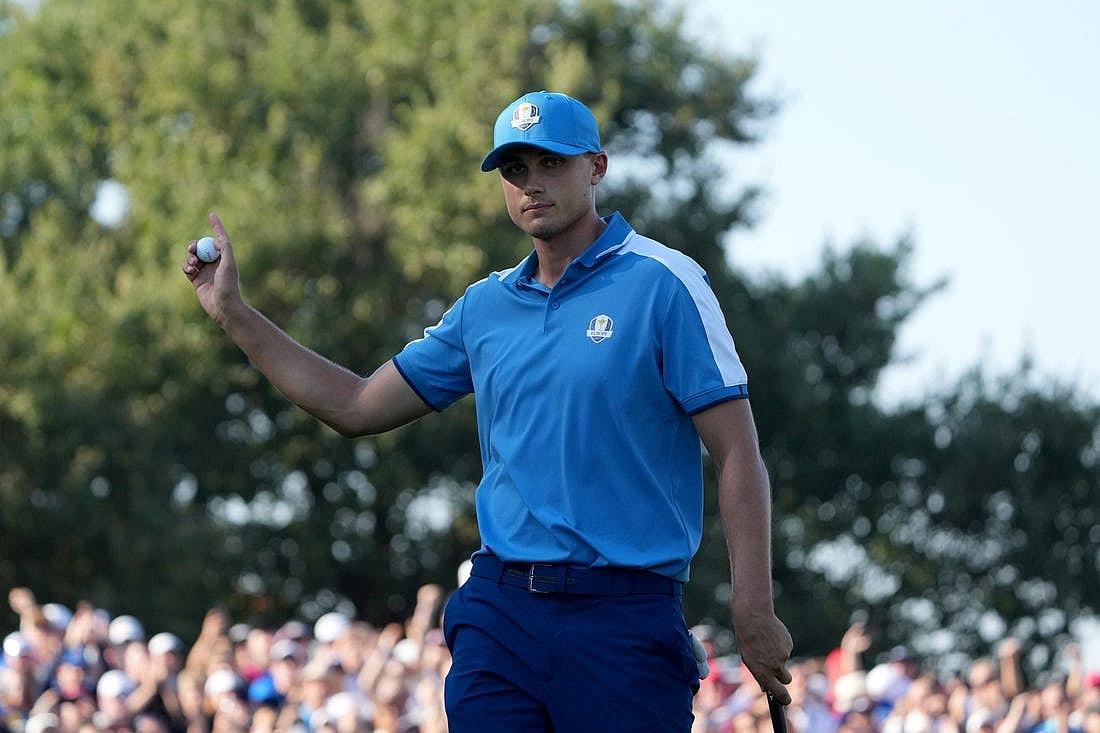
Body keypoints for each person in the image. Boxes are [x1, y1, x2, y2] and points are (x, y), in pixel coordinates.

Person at [182, 89, 793, 732]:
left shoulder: (666, 282)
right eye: (515, 170)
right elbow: (355, 405)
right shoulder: (484, 306)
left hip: (625, 617)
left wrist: (753, 607)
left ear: (597, 167)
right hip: (501, 613)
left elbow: (736, 454)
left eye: (552, 163)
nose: (533, 183)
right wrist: (235, 316)